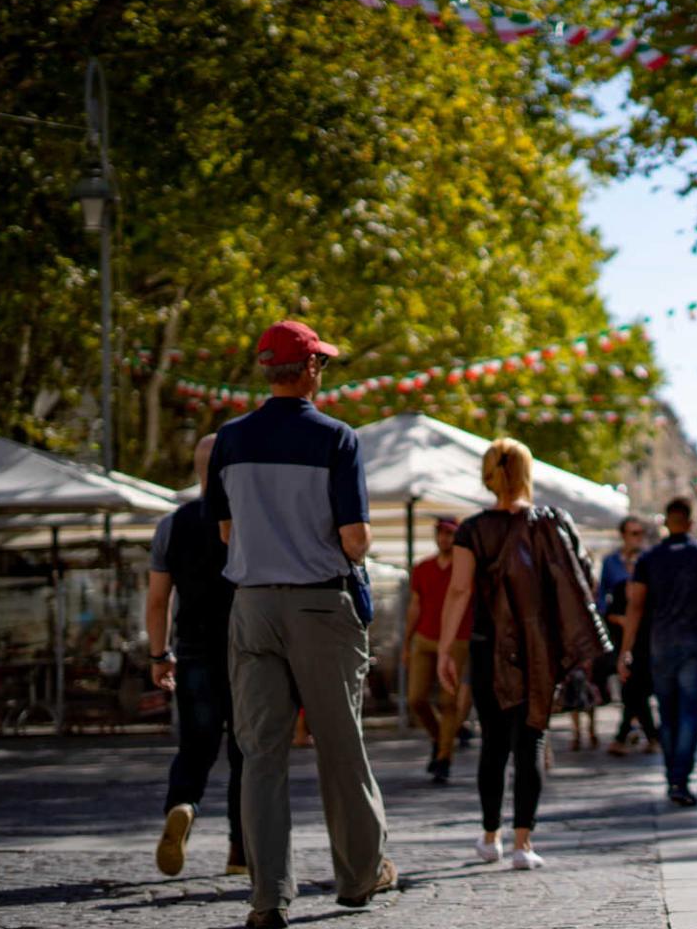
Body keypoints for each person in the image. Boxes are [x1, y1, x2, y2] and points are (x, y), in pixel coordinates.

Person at [206, 320, 393, 929]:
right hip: (319, 607)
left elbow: (225, 532)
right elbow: (354, 539)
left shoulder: (229, 440)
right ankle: (359, 877)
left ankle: (267, 898)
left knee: (260, 755)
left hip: (252, 606)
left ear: (267, 371)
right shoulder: (337, 438)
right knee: (340, 747)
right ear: (310, 369)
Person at [436, 438, 608, 869]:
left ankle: (489, 836)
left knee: (493, 742)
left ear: (488, 474)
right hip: (538, 648)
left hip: (487, 645)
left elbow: (459, 591)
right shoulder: (554, 523)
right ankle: (523, 844)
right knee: (531, 738)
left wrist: (444, 650)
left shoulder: (473, 529)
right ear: (528, 472)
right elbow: (584, 580)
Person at [146, 433, 243, 878]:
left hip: (194, 650)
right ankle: (241, 852)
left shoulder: (172, 525)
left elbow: (157, 601)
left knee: (195, 746)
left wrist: (158, 655)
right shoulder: (248, 521)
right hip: (247, 649)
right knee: (246, 752)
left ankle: (182, 805)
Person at [618, 498, 697, 806]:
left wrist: (625, 650)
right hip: (696, 643)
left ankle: (673, 775)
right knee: (689, 713)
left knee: (668, 712)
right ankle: (680, 779)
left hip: (661, 644)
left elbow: (635, 606)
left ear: (666, 522)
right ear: (690, 522)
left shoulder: (649, 559)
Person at [403, 516, 472, 784]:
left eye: (449, 534)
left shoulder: (465, 568)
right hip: (425, 637)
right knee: (416, 699)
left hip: (456, 639)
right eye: (441, 533)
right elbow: (415, 605)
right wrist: (407, 641)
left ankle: (444, 756)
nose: (444, 538)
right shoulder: (423, 568)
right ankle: (438, 737)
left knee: (448, 701)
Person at [602, 517, 659, 756]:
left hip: (645, 636)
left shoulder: (650, 562)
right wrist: (614, 619)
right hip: (621, 635)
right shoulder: (612, 565)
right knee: (631, 685)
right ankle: (648, 736)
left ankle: (627, 735)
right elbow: (603, 600)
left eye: (640, 533)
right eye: (633, 533)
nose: (637, 537)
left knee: (635, 687)